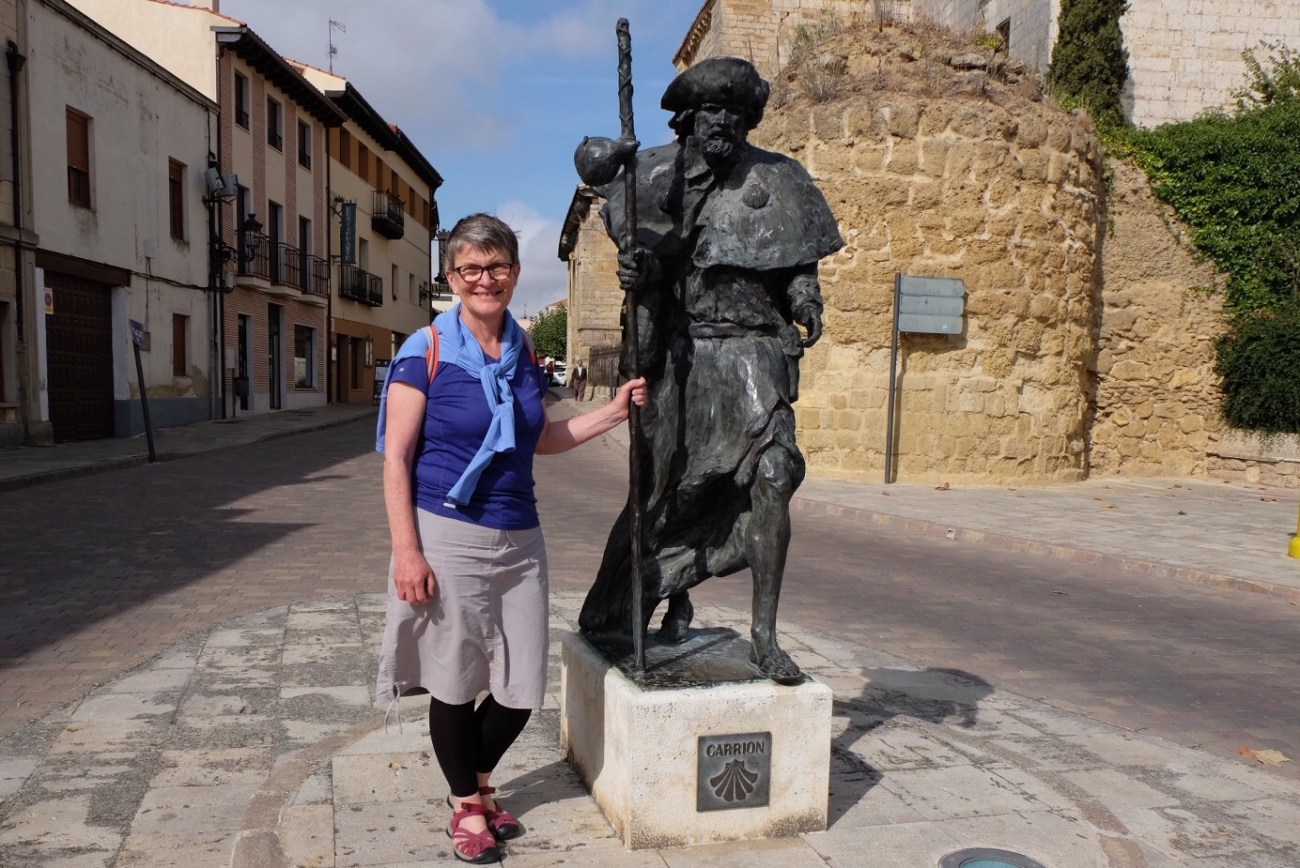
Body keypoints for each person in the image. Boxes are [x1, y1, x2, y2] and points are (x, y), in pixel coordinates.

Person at [374, 213, 646, 864]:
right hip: (446, 532)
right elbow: (396, 459)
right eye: (470, 267)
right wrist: (408, 552)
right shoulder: (424, 351)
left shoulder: (522, 352)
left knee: (521, 685)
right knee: (454, 679)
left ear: (515, 273)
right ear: (451, 278)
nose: (485, 278)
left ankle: (474, 781)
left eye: (497, 265)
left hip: (521, 536)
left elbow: (541, 438)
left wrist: (611, 412)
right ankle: (470, 803)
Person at [574, 57, 843, 684]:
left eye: (734, 113)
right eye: (711, 112)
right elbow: (654, 268)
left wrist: (806, 300)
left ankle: (765, 638)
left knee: (775, 473)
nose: (722, 123)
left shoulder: (780, 179)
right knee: (669, 497)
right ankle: (650, 592)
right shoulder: (658, 179)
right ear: (690, 119)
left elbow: (797, 264)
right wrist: (641, 271)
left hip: (755, 354)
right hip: (687, 361)